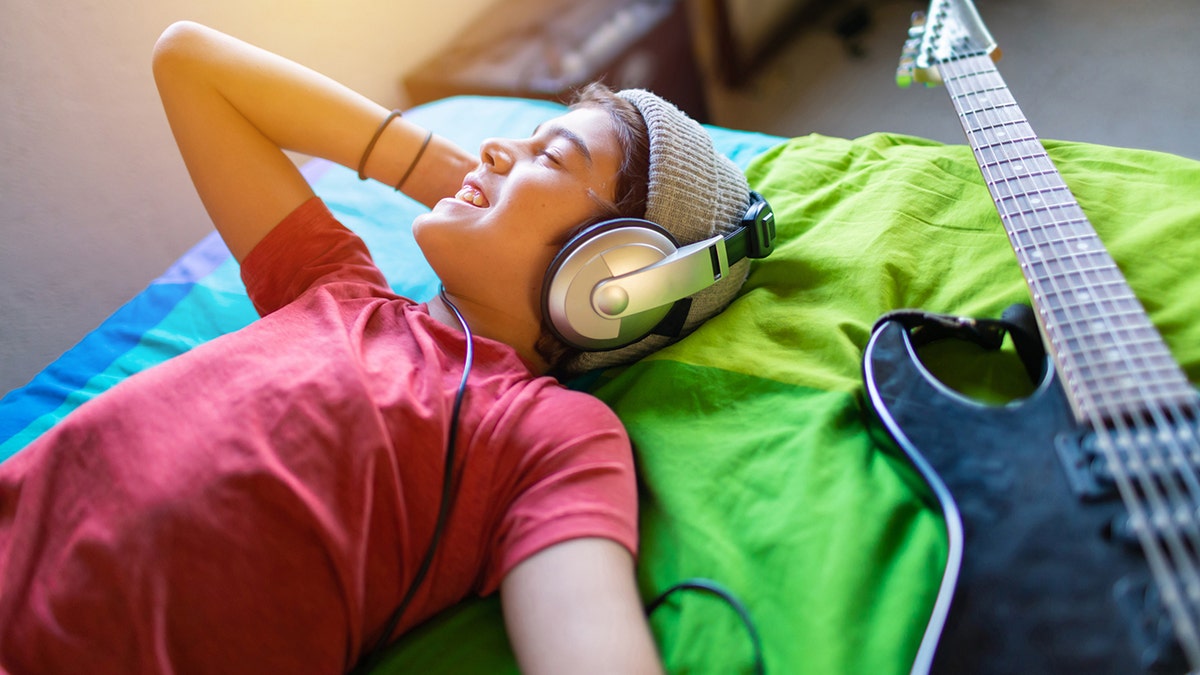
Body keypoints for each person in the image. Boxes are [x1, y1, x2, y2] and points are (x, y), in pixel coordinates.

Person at [0, 20, 756, 674]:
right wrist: (451, 174)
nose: (493, 148)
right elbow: (189, 63)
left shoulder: (542, 437)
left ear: (611, 279)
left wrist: (495, 202)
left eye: (551, 157)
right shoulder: (332, 285)